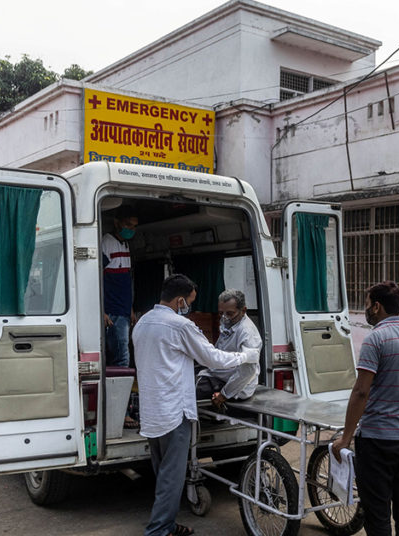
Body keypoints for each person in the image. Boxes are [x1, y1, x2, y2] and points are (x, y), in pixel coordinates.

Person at [132, 274, 260, 536]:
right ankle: (158, 530)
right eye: (189, 301)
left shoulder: (143, 322)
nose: (189, 306)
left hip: (152, 411)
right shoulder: (180, 326)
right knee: (172, 476)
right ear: (180, 300)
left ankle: (166, 524)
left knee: (163, 472)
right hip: (174, 412)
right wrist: (246, 355)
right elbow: (212, 358)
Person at [332, 281, 399, 536]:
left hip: (377, 439)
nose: (366, 311)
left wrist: (346, 437)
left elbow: (361, 391)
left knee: (377, 511)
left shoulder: (376, 339)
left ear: (377, 306)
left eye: (366, 305)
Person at [195, 289, 261, 407]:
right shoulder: (230, 322)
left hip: (236, 385)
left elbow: (247, 371)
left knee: (189, 390)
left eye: (229, 313)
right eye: (221, 313)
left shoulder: (247, 333)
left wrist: (224, 394)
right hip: (221, 374)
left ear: (243, 310)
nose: (224, 317)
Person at [102, 205, 138, 368]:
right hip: (112, 312)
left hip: (123, 311)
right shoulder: (107, 243)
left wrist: (130, 309)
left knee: (121, 354)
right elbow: (95, 278)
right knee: (121, 359)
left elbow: (125, 281)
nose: (131, 229)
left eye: (134, 226)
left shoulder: (125, 245)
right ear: (117, 223)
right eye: (128, 225)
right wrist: (101, 312)